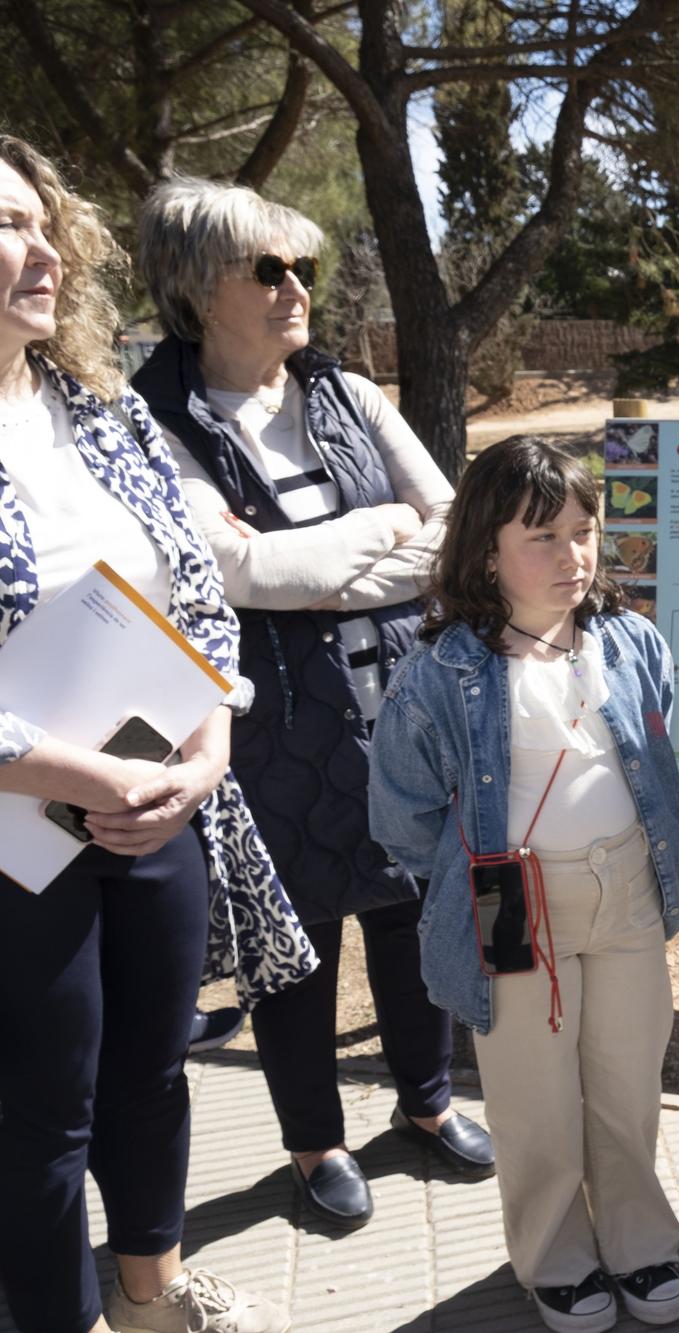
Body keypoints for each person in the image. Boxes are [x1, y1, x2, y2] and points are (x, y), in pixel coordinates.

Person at [129, 177, 490, 1232]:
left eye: (305, 269)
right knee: (298, 944)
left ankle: (425, 1103)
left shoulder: (345, 393)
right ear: (199, 290)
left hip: (402, 702)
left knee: (412, 912)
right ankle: (314, 1141)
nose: (297, 290)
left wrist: (325, 564)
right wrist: (376, 537)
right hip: (272, 726)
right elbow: (232, 571)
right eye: (269, 270)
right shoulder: (157, 415)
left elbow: (449, 525)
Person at [0, 134, 299, 1333]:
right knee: (42, 1114)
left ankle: (153, 1297)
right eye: (3, 228)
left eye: (39, 222)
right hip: (20, 835)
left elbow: (195, 594)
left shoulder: (100, 407)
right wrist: (73, 773)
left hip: (164, 795)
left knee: (153, 1067)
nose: (39, 250)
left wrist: (208, 743)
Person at [369, 436, 679, 1332]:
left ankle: (636, 1239)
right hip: (513, 901)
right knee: (533, 1091)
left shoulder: (628, 640)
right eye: (541, 536)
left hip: (625, 886)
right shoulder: (443, 670)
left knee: (628, 1075)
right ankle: (556, 1253)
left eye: (584, 531)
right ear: (485, 550)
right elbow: (398, 809)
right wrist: (469, 865)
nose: (573, 555)